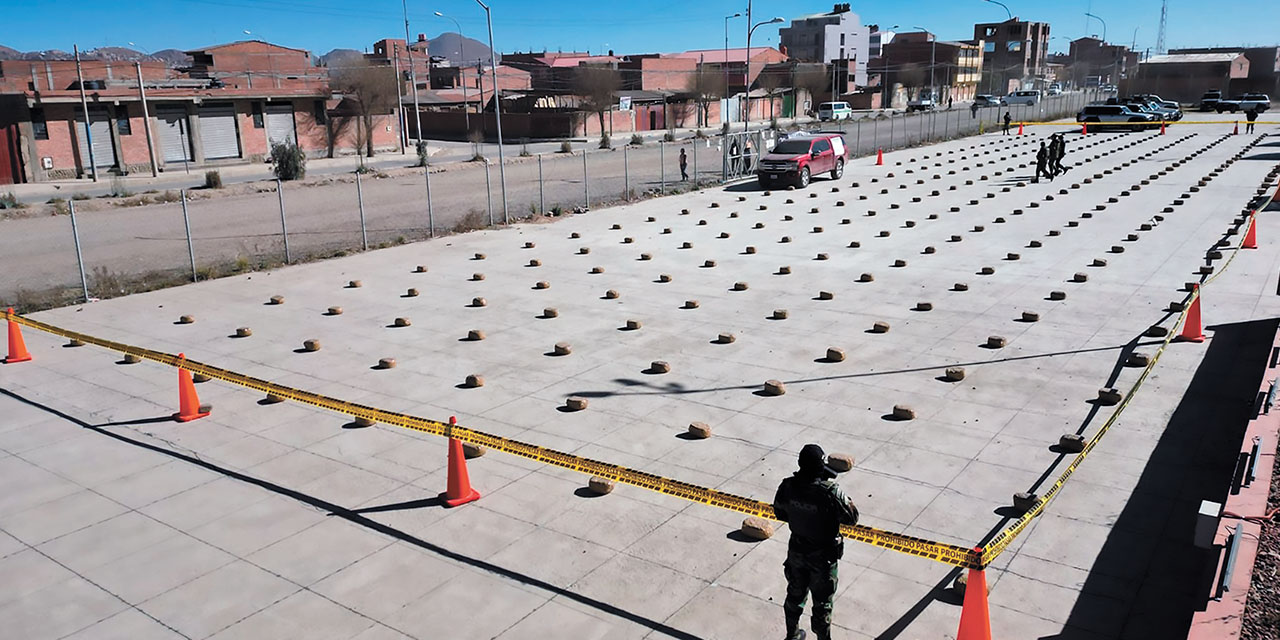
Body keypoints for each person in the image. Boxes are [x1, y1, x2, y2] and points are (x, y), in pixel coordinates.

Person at [774, 444, 859, 640]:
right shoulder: (830, 492)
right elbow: (852, 518)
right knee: (822, 604)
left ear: (799, 464)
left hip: (797, 551)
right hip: (823, 557)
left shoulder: (787, 486)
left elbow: (780, 512)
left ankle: (792, 635)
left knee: (794, 595)